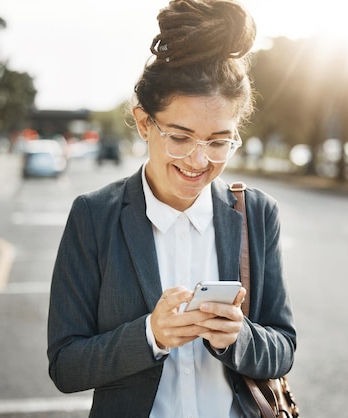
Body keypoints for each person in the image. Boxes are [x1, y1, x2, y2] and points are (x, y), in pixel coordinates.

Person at [46, 0, 296, 416]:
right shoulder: (94, 216)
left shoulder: (257, 213)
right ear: (144, 122)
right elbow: (65, 365)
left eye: (218, 141)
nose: (199, 161)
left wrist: (239, 337)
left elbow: (283, 348)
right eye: (180, 137)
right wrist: (150, 334)